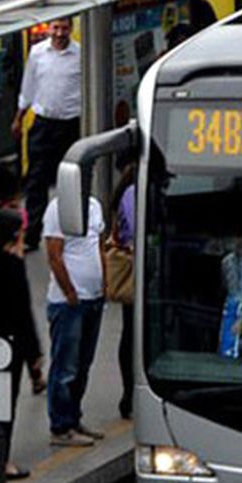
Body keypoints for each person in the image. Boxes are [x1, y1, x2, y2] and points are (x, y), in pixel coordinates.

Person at [0, 209, 42, 483]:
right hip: (10, 346)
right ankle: (2, 462)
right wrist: (34, 354)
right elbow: (23, 312)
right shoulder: (13, 266)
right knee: (6, 405)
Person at [43, 195, 106, 446]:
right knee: (65, 367)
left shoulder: (94, 206)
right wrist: (70, 292)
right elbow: (54, 255)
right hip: (68, 303)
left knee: (82, 365)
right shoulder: (58, 208)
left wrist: (104, 283)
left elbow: (99, 246)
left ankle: (74, 417)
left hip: (94, 297)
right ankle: (60, 426)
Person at [14, 17, 81, 251]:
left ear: (71, 29)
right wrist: (19, 117)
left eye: (64, 28)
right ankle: (32, 235)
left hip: (71, 126)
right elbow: (28, 87)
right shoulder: (37, 53)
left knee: (70, 181)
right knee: (36, 182)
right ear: (49, 29)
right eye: (55, 28)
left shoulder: (80, 55)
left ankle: (71, 233)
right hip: (43, 126)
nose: (60, 33)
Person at [111, 165, 136, 419]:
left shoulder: (129, 191)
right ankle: (129, 393)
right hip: (137, 270)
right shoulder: (132, 193)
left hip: (140, 269)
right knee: (131, 332)